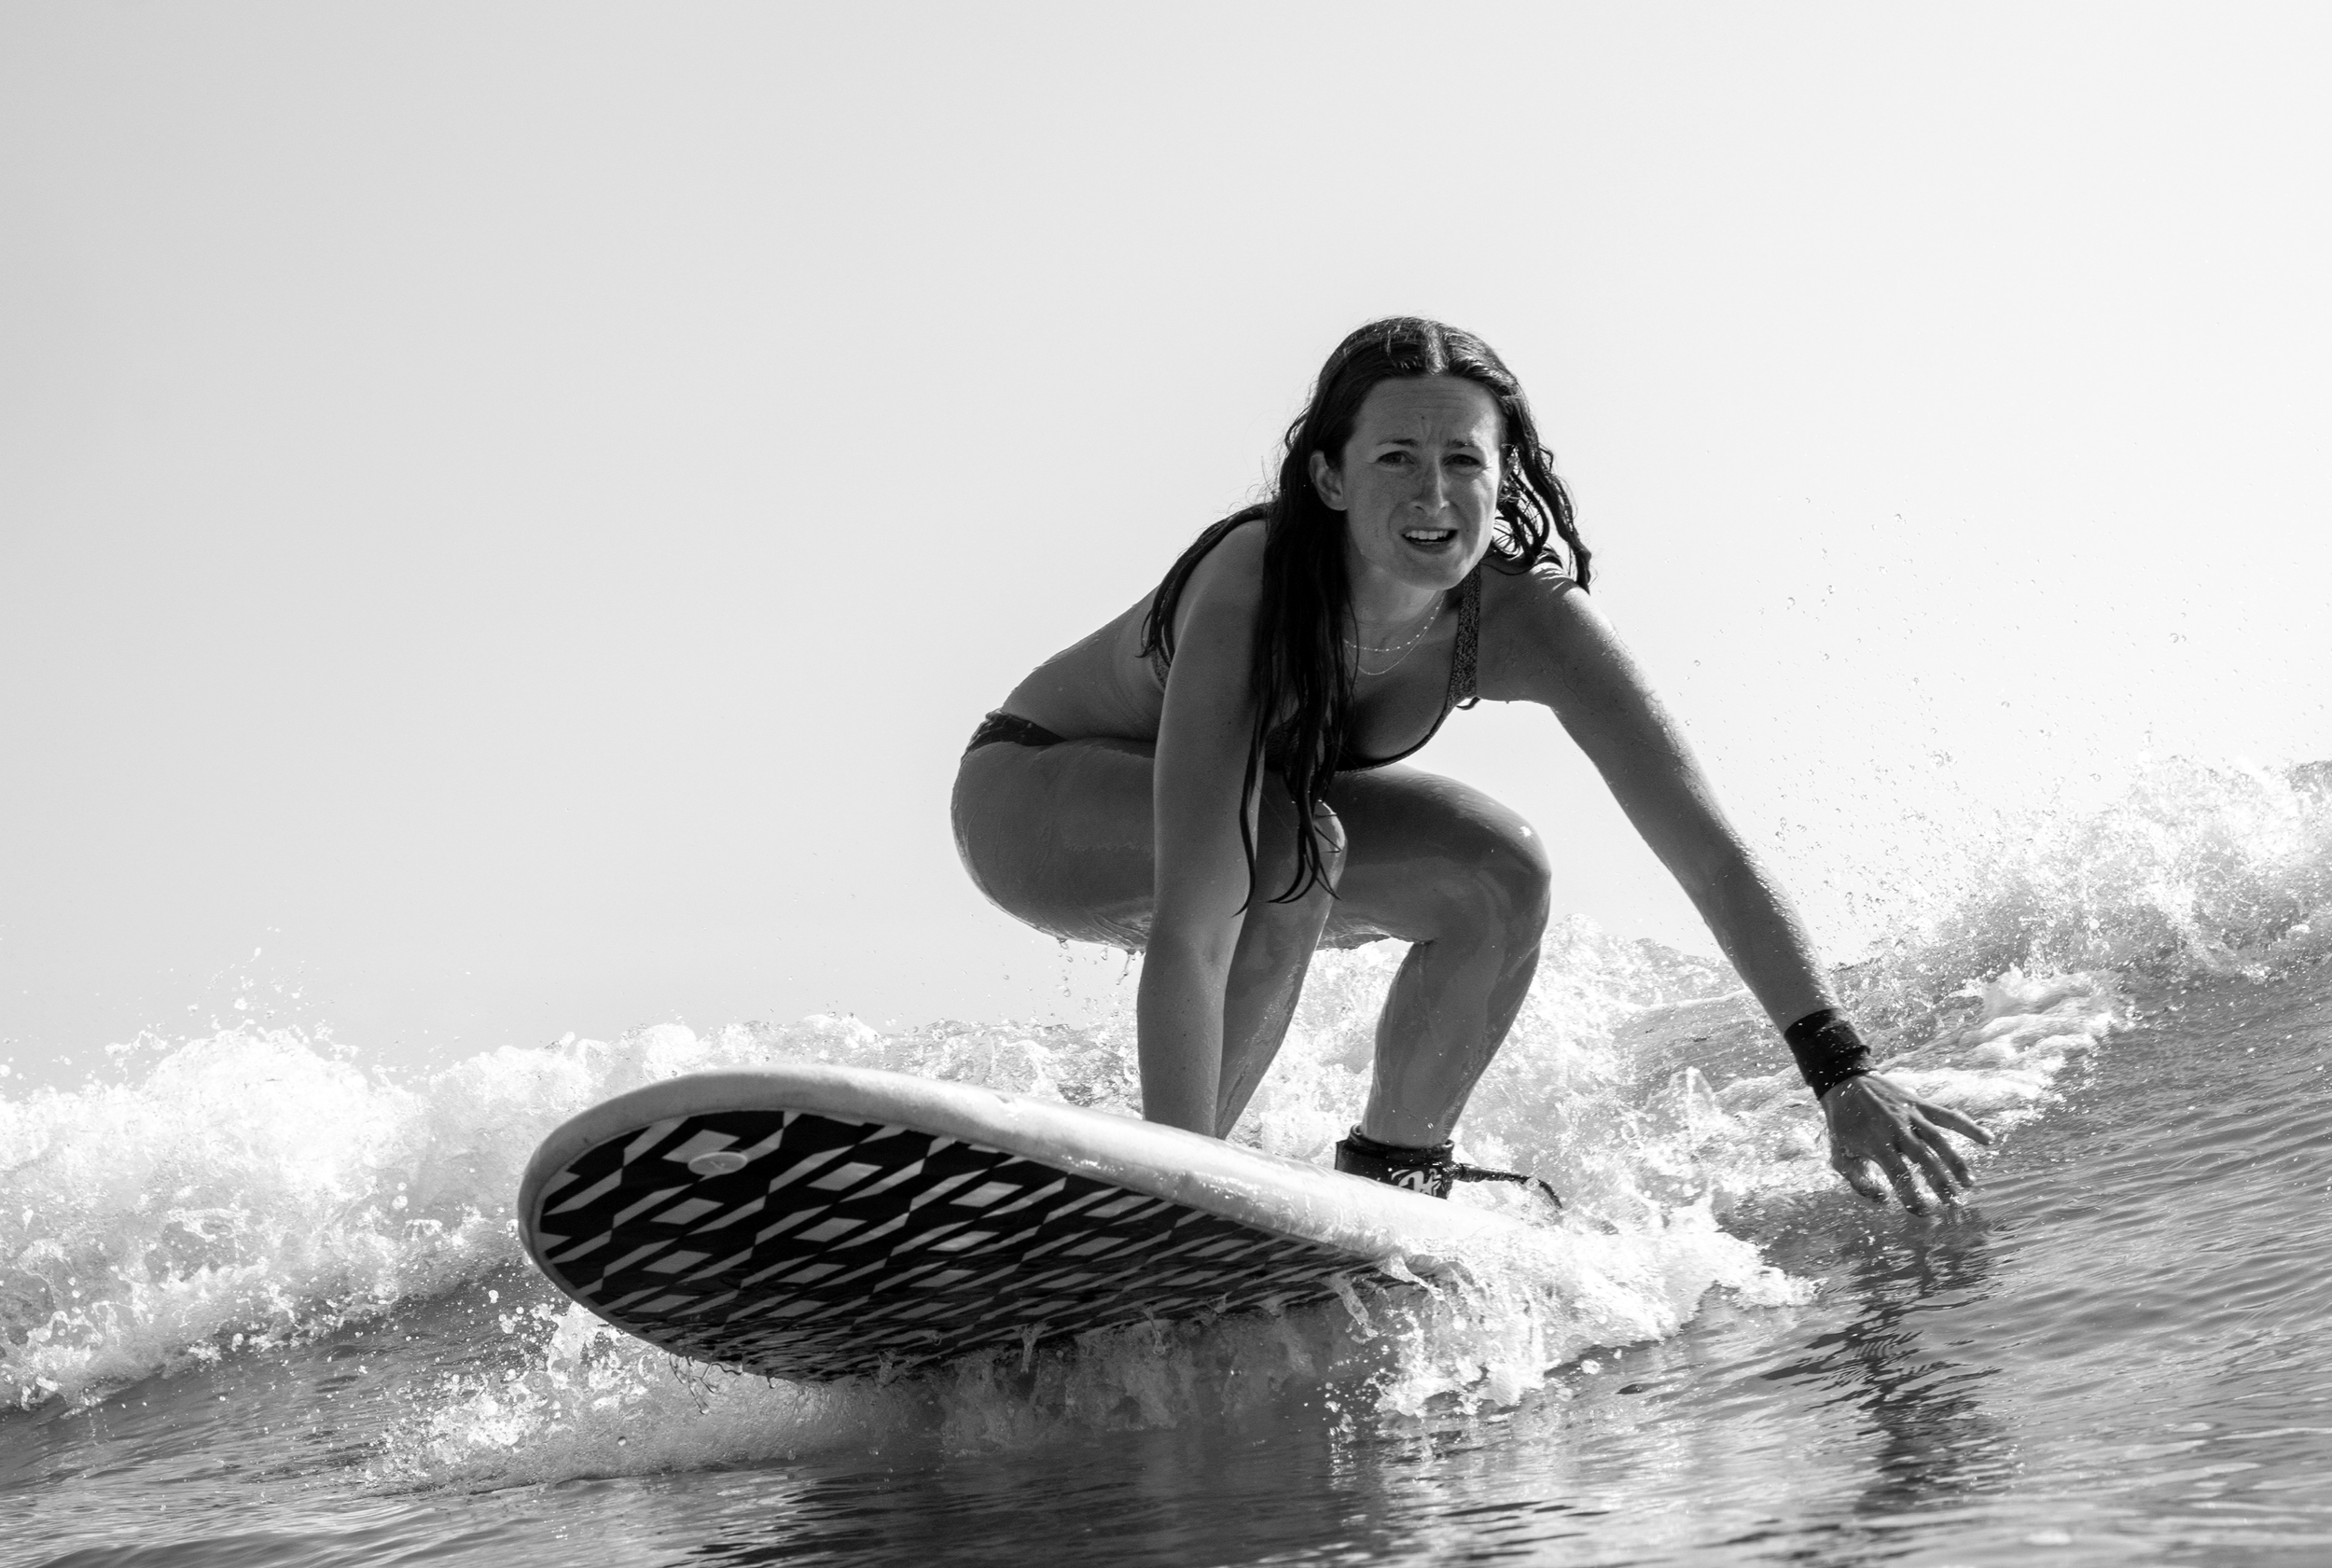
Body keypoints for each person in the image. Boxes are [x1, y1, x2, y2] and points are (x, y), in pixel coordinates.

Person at [951, 318, 1990, 1213]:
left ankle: (1393, 1175)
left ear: (1502, 480)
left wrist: (1840, 1074)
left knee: (1499, 871)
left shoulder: (1529, 622)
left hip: (1270, 826)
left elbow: (1708, 854)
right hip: (1038, 794)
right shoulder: (1256, 583)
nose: (1432, 490)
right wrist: (1172, 1193)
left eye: (1462, 460)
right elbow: (1194, 920)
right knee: (1285, 844)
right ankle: (1172, 1192)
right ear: (1329, 476)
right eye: (1396, 456)